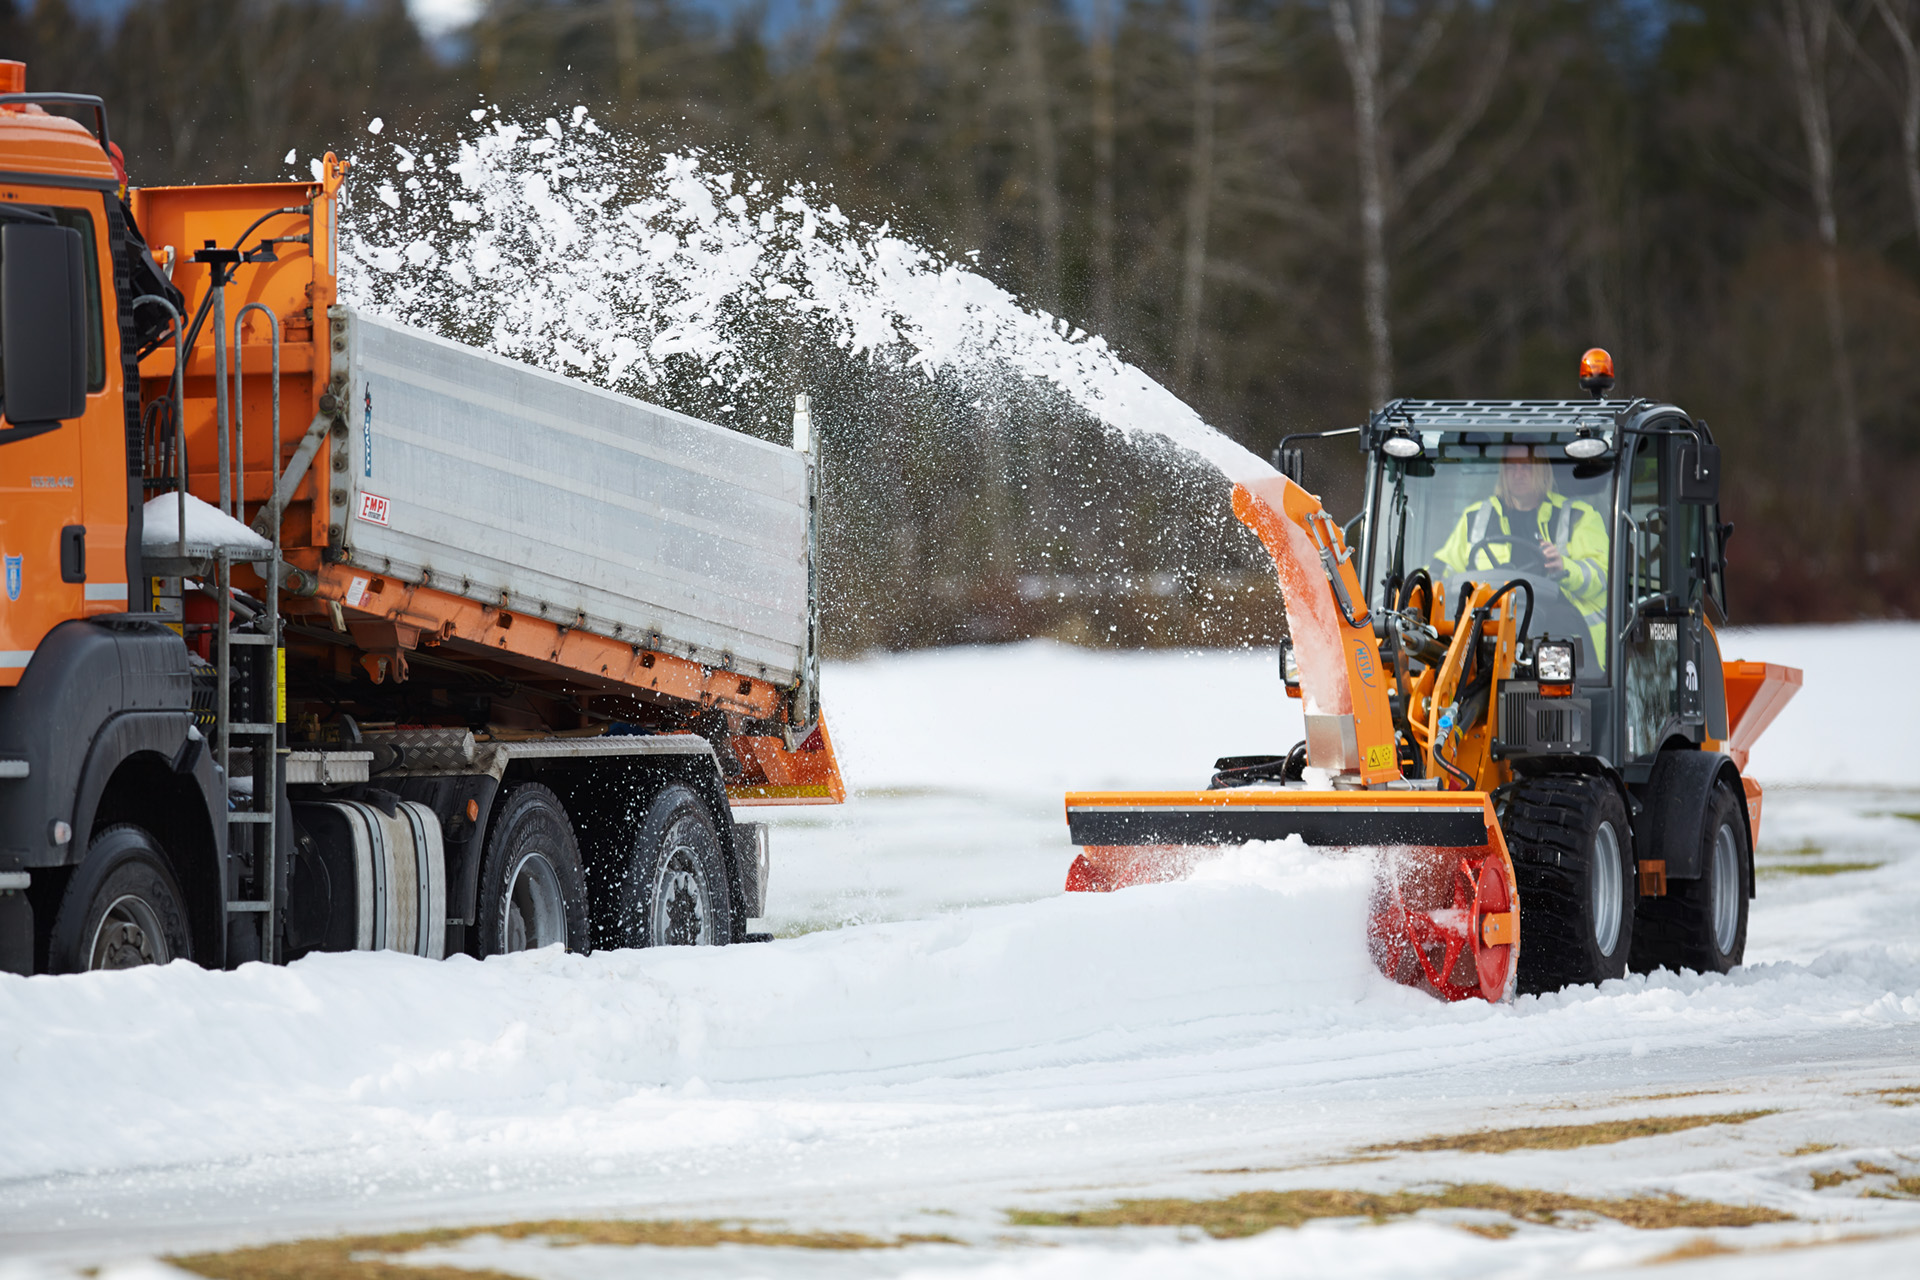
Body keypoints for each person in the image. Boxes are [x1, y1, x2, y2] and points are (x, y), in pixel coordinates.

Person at [1432, 452, 1608, 666]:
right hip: (1485, 628)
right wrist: (1427, 584)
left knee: (1558, 624)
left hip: (1558, 639)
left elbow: (1603, 573)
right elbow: (1444, 566)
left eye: (1526, 467)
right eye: (1511, 467)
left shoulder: (1578, 515)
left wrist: (1564, 566)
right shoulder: (1476, 516)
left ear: (1542, 471)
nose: (1518, 474)